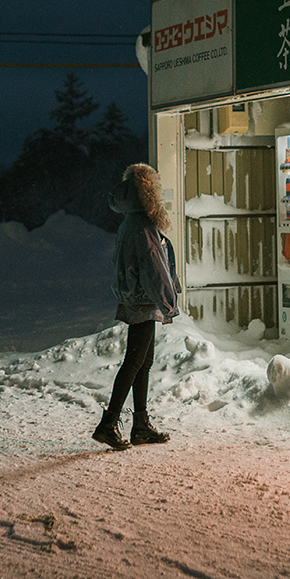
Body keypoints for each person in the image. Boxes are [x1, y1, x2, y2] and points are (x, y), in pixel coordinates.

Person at [93, 162, 180, 450]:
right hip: (143, 299)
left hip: (135, 296)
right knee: (134, 361)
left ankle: (140, 423)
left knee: (143, 361)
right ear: (148, 195)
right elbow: (154, 268)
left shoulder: (128, 222)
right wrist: (168, 301)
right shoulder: (143, 226)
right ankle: (109, 423)